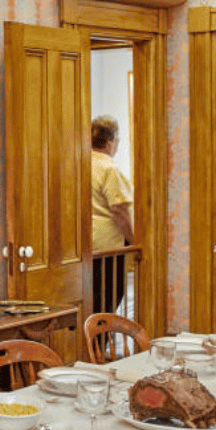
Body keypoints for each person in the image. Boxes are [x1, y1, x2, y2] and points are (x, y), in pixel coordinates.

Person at [91, 115, 134, 313]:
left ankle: (93, 341)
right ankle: (99, 342)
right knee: (108, 301)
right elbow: (119, 209)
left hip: (85, 246)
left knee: (92, 302)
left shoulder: (82, 165)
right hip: (108, 247)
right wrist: (134, 240)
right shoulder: (109, 168)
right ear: (110, 142)